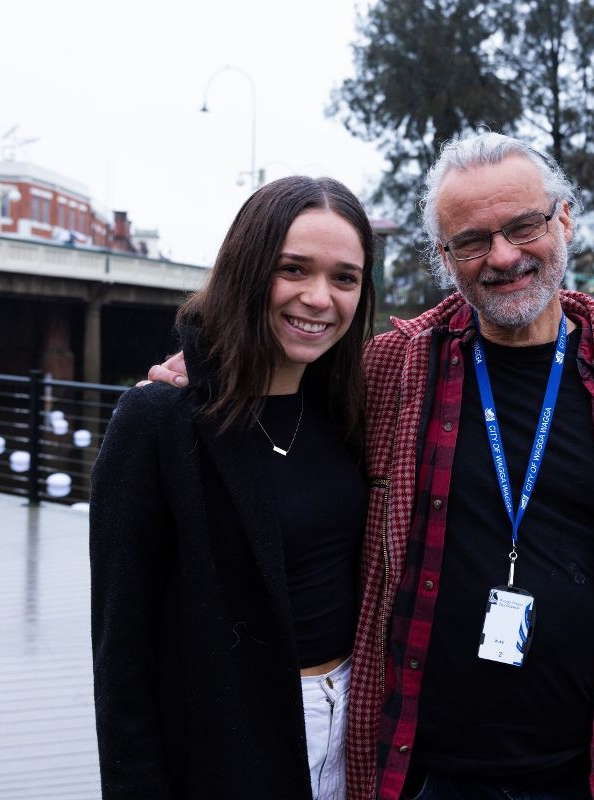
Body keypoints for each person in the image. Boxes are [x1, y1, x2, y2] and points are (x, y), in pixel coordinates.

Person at [148, 133, 594, 800]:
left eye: (524, 226)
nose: (504, 256)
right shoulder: (388, 372)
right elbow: (278, 387)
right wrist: (201, 372)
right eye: (472, 240)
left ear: (565, 219)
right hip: (423, 775)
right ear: (444, 257)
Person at [91, 175, 376, 799]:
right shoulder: (159, 420)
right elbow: (122, 656)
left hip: (359, 727)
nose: (319, 298)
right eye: (293, 269)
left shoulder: (351, 407)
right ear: (247, 270)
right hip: (235, 738)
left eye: (344, 278)